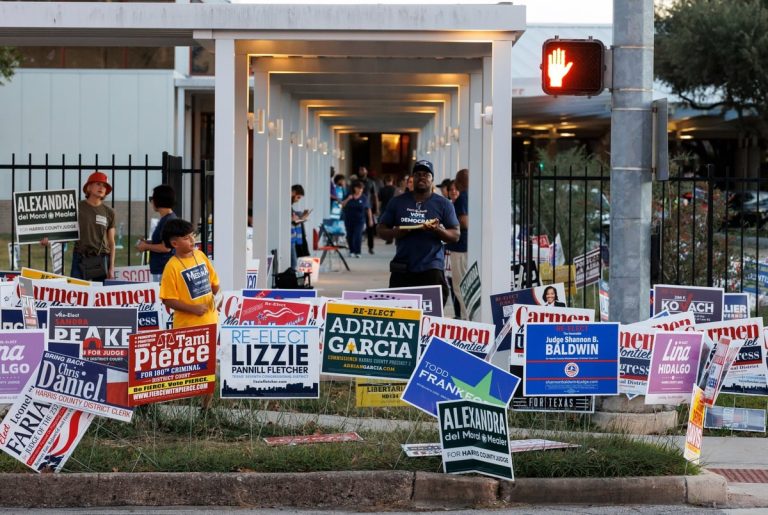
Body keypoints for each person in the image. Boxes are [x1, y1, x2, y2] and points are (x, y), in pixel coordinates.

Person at [377, 160, 460, 304]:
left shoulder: (443, 204)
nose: (422, 177)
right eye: (418, 174)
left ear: (432, 179)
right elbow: (381, 229)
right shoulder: (397, 202)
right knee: (400, 317)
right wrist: (396, 233)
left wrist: (437, 230)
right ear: (412, 179)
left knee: (431, 316)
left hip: (431, 267)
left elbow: (455, 235)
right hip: (402, 268)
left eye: (426, 175)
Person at [42, 171, 116, 281]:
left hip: (101, 259)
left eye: (105, 186)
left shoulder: (109, 212)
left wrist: (111, 267)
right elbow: (65, 232)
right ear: (89, 188)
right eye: (98, 184)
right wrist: (50, 239)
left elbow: (112, 243)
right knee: (77, 293)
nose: (102, 188)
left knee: (98, 295)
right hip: (80, 258)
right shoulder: (76, 207)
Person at [136, 184, 177, 282]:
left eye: (152, 198)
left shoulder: (168, 220)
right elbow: (162, 241)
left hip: (163, 269)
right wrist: (147, 243)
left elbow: (166, 247)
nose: (151, 202)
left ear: (159, 200)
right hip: (161, 269)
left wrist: (146, 247)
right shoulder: (166, 219)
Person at [446, 169, 469, 319]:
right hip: (466, 246)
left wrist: (447, 225)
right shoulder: (472, 196)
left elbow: (464, 222)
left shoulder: (462, 198)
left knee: (459, 286)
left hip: (460, 247)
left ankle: (467, 317)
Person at [341, 180, 373, 258]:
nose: (360, 190)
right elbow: (342, 205)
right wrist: (348, 199)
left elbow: (368, 209)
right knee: (350, 236)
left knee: (357, 235)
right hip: (348, 219)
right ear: (354, 188)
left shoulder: (364, 197)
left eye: (361, 189)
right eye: (359, 188)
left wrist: (370, 220)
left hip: (360, 220)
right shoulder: (348, 195)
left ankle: (358, 252)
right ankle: (351, 251)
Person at [357, 166, 378, 255]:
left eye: (363, 169)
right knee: (357, 229)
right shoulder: (355, 182)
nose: (361, 171)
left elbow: (375, 196)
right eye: (360, 169)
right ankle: (357, 248)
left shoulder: (371, 182)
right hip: (357, 208)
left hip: (368, 207)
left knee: (370, 228)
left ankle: (371, 247)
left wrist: (376, 208)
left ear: (366, 171)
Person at [290, 184, 310, 268]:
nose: (298, 200)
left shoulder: (289, 205)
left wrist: (300, 218)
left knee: (294, 261)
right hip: (290, 237)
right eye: (298, 197)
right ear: (293, 192)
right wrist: (297, 218)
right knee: (293, 262)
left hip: (292, 237)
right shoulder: (284, 203)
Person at [378, 175, 397, 244]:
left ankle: (388, 238)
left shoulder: (382, 189)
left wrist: (378, 209)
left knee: (385, 224)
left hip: (384, 208)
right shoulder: (395, 189)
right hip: (393, 208)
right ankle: (391, 238)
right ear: (392, 181)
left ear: (385, 181)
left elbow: (379, 200)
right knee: (392, 224)